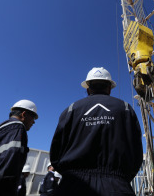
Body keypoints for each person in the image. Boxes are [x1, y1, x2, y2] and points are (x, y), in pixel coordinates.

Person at [50, 67, 143, 196]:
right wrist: (122, 177)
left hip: (72, 185)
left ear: (88, 89)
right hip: (117, 186)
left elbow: (56, 151)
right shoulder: (125, 108)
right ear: (109, 88)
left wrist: (69, 174)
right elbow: (136, 150)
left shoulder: (71, 109)